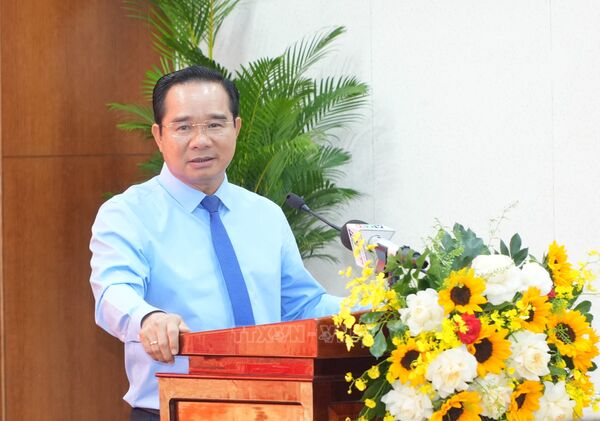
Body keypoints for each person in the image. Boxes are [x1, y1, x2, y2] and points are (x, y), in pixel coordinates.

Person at [89, 65, 343, 421]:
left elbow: (302, 305)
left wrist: (380, 308)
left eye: (214, 124)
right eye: (183, 127)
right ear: (158, 135)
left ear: (236, 128)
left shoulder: (265, 214)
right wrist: (148, 318)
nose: (201, 140)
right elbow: (113, 290)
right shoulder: (128, 213)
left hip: (272, 408)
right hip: (175, 410)